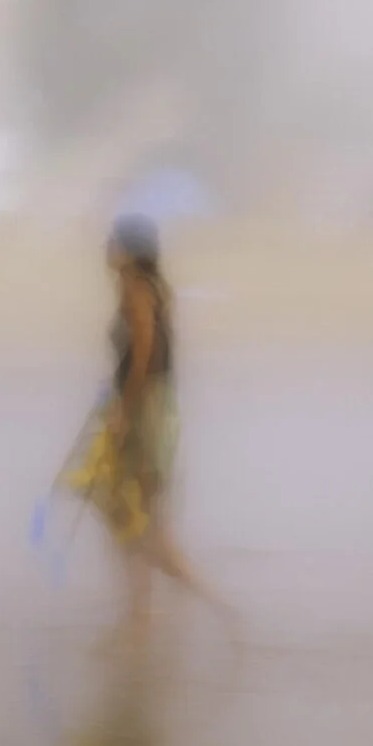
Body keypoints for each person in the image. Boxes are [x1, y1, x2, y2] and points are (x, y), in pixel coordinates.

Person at [62, 214, 235, 641]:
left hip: (146, 415)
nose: (106, 249)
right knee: (128, 518)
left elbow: (142, 357)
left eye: (113, 243)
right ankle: (138, 613)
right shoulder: (145, 290)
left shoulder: (138, 292)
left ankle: (218, 610)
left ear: (129, 253)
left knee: (146, 526)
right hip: (149, 411)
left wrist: (122, 413)